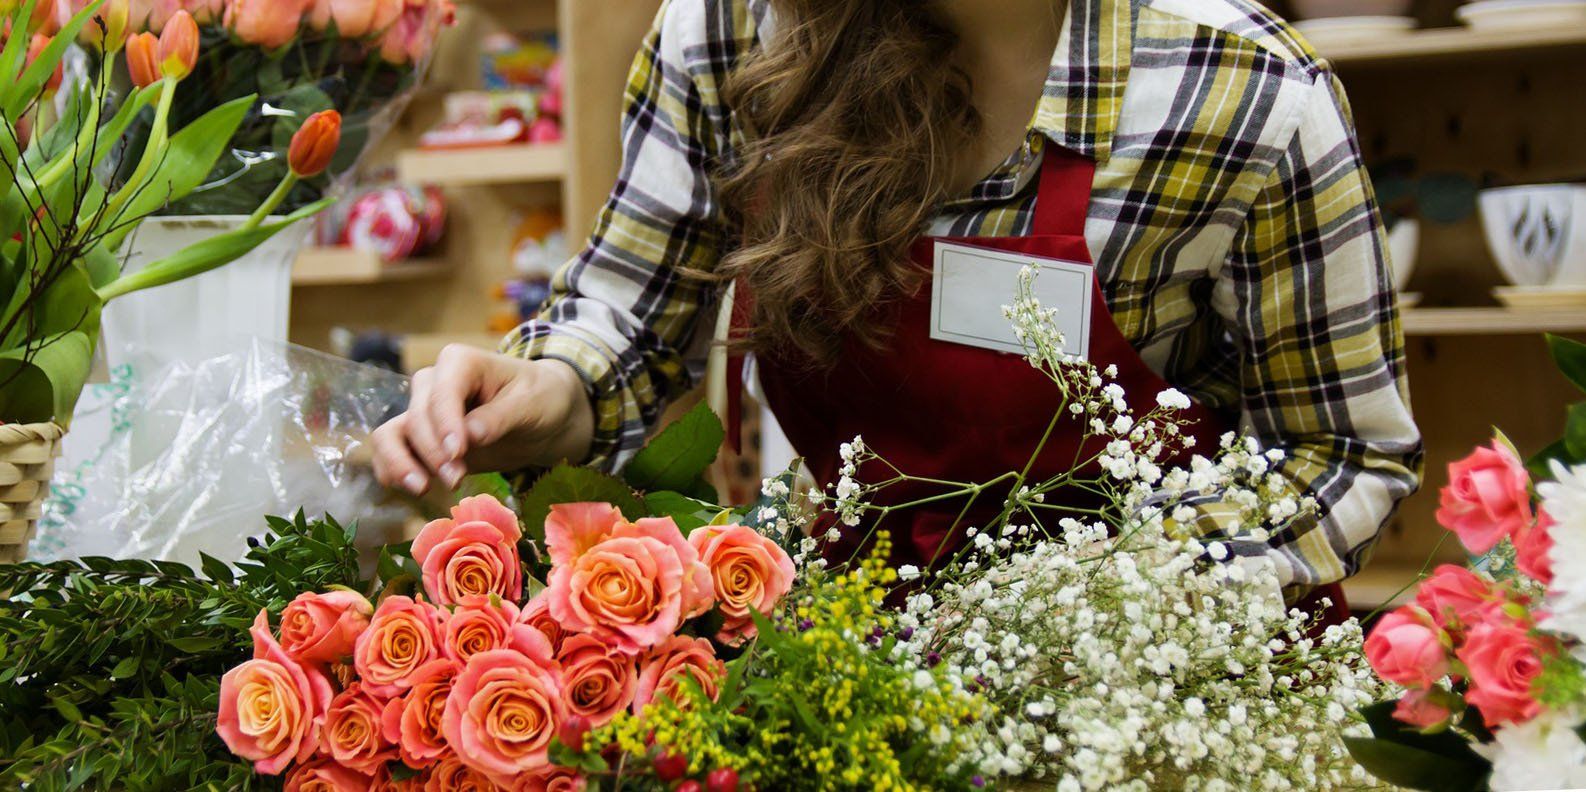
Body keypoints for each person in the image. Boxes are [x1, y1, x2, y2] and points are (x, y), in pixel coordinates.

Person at [372, 0, 1422, 605]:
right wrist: (546, 386)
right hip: (858, 647)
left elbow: (1337, 453)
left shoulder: (1239, 92)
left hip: (1157, 681)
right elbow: (630, 319)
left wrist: (1119, 608)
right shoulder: (731, 34)